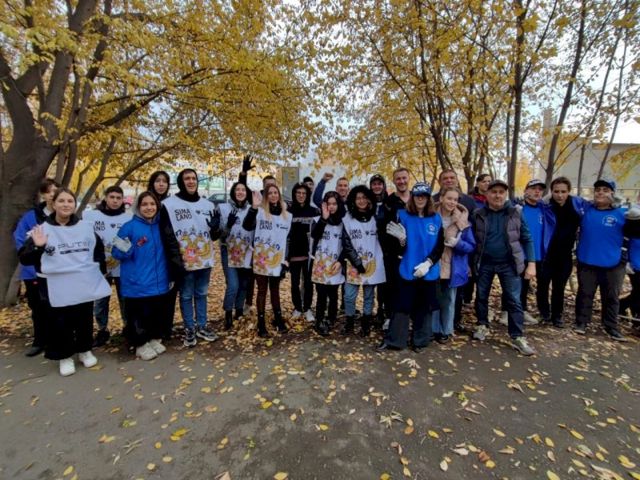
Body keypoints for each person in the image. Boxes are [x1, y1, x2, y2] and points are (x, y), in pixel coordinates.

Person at [18, 188, 111, 376]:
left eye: (70, 201)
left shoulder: (85, 228)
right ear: (53, 204)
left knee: (84, 317)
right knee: (60, 321)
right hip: (55, 285)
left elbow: (97, 253)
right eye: (61, 201)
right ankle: (64, 355)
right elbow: (25, 259)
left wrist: (99, 274)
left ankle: (84, 350)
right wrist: (38, 246)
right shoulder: (41, 229)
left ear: (74, 205)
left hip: (82, 282)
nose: (66, 205)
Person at [471, 179, 537, 356]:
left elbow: (527, 238)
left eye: (501, 192)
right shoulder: (478, 214)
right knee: (481, 296)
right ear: (487, 194)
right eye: (494, 192)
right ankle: (482, 324)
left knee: (514, 299)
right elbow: (472, 239)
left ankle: (517, 336)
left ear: (506, 194)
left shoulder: (516, 213)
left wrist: (531, 264)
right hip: (485, 263)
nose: (497, 195)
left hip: (509, 264)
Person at [378, 182, 444, 352]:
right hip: (407, 268)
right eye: (417, 196)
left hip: (428, 270)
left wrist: (428, 263)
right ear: (412, 198)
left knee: (424, 307)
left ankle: (420, 341)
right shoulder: (402, 215)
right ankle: (395, 340)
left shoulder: (436, 219)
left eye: (424, 196)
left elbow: (439, 246)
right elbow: (393, 246)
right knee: (401, 305)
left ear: (428, 198)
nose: (420, 199)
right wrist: (401, 241)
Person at [160, 169, 218, 347]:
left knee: (201, 293)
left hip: (204, 258)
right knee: (186, 295)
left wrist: (215, 228)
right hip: (184, 259)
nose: (191, 181)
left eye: (194, 178)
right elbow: (166, 234)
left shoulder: (208, 205)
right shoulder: (169, 204)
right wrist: (174, 260)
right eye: (187, 178)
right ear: (181, 181)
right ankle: (189, 328)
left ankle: (202, 325)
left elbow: (214, 236)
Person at [112, 192, 173, 360]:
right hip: (137, 282)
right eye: (144, 204)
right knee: (138, 315)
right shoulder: (129, 227)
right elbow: (116, 252)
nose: (149, 208)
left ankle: (153, 338)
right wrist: (129, 248)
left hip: (159, 280)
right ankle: (140, 343)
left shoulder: (161, 226)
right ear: (138, 207)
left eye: (152, 204)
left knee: (155, 312)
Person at [574, 179, 635, 341]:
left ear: (612, 194)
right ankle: (581, 322)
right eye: (598, 190)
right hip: (587, 260)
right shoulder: (586, 211)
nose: (600, 192)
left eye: (605, 190)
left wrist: (629, 260)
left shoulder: (623, 214)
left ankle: (611, 326)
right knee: (585, 293)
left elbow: (634, 234)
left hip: (613, 262)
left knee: (611, 296)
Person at [499, 179, 555, 326]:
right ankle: (506, 311)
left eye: (540, 189)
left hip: (537, 254)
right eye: (533, 188)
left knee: (526, 285)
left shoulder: (544, 210)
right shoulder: (518, 208)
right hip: (518, 253)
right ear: (526, 191)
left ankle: (522, 310)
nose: (537, 191)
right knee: (513, 284)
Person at [13, 178, 59, 356]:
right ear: (43, 194)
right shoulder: (31, 217)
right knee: (38, 308)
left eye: (56, 191)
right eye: (49, 191)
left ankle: (58, 339)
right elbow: (20, 240)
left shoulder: (65, 216)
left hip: (59, 272)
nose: (53, 195)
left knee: (59, 307)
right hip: (34, 272)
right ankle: (40, 340)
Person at [82, 185, 131, 346]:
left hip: (122, 266)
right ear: (105, 198)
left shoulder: (128, 218)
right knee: (101, 301)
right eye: (112, 197)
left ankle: (127, 327)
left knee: (125, 299)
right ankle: (102, 330)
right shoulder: (91, 216)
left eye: (118, 198)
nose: (115, 201)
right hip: (99, 268)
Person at [243, 185, 293, 337]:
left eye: (275, 192)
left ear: (279, 195)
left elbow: (288, 240)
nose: (273, 195)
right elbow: (246, 226)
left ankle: (278, 319)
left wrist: (286, 260)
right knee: (262, 290)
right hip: (262, 258)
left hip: (277, 259)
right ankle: (261, 323)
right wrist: (253, 208)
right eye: (270, 193)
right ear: (266, 196)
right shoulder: (259, 212)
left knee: (275, 290)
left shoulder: (287, 216)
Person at [432, 169, 478, 332]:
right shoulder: (431, 216)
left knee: (449, 300)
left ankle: (446, 330)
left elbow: (471, 245)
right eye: (449, 198)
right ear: (441, 198)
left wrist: (458, 244)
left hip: (454, 265)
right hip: (433, 264)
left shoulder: (462, 220)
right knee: (434, 300)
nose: (452, 202)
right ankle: (434, 330)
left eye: (455, 199)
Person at [537, 176, 582, 328]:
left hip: (565, 255)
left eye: (563, 192)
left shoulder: (576, 206)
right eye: (556, 191)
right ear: (552, 192)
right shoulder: (546, 206)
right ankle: (544, 312)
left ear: (569, 191)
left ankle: (557, 315)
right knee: (542, 285)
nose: (560, 195)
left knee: (559, 286)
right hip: (547, 254)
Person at [341, 185, 386, 336]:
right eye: (358, 198)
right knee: (349, 295)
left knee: (369, 296)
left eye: (364, 197)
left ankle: (366, 323)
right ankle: (349, 322)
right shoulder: (347, 219)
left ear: (369, 199)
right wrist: (357, 262)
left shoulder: (376, 218)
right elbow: (346, 243)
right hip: (354, 264)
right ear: (353, 200)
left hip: (372, 263)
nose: (361, 201)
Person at [210, 182, 254, 330]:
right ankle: (228, 313)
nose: (240, 192)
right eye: (237, 190)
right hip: (229, 250)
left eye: (243, 190)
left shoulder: (252, 209)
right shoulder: (223, 208)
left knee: (244, 284)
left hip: (246, 251)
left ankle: (239, 310)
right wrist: (228, 225)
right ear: (233, 192)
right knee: (233, 284)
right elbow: (219, 235)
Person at [310, 191, 354, 336]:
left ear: (339, 204)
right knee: (321, 294)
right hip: (321, 262)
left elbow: (347, 245)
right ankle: (319, 320)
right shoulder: (318, 219)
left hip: (336, 263)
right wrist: (324, 218)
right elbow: (315, 235)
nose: (332, 207)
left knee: (333, 294)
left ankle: (331, 319)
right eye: (329, 204)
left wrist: (341, 261)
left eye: (334, 204)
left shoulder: (344, 222)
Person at [378, 167, 412, 328]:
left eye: (404, 178)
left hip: (413, 252)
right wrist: (388, 248)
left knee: (411, 286)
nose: (402, 181)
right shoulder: (388, 202)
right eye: (398, 178)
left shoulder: (417, 199)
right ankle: (390, 316)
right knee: (391, 286)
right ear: (394, 181)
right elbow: (381, 228)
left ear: (409, 178)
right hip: (393, 254)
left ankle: (409, 317)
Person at [147, 170, 175, 338]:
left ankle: (165, 329)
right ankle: (151, 330)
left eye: (164, 181)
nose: (161, 184)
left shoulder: (171, 203)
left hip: (168, 254)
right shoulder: (146, 202)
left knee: (169, 293)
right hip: (150, 254)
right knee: (151, 295)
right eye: (158, 181)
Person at [288, 183, 319, 323]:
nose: (301, 195)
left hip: (309, 254)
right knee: (294, 284)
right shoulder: (288, 211)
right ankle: (297, 308)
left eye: (304, 193)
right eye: (298, 193)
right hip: (293, 254)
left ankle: (307, 309)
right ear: (294, 194)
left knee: (308, 283)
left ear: (307, 195)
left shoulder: (314, 211)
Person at [620, 203, 640, 324]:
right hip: (635, 265)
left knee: (637, 292)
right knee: (638, 292)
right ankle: (636, 315)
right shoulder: (632, 222)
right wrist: (626, 261)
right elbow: (624, 244)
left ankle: (623, 306)